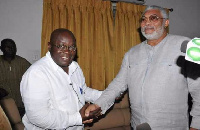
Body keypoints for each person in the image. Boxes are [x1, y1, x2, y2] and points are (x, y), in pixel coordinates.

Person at [85, 5, 200, 130]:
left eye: (153, 18)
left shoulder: (187, 46)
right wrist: (98, 105)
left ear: (166, 22)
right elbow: (117, 85)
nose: (147, 22)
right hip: (138, 125)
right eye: (143, 19)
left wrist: (196, 125)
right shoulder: (131, 53)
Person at [20, 28, 102, 129]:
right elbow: (38, 117)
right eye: (61, 46)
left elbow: (82, 91)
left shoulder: (75, 67)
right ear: (49, 46)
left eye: (72, 47)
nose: (67, 51)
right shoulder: (36, 74)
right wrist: (78, 118)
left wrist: (108, 94)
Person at [0, 38, 31, 117]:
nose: (11, 49)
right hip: (2, 106)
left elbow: (35, 78)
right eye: (7, 46)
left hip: (21, 105)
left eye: (13, 46)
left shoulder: (22, 62)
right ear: (1, 48)